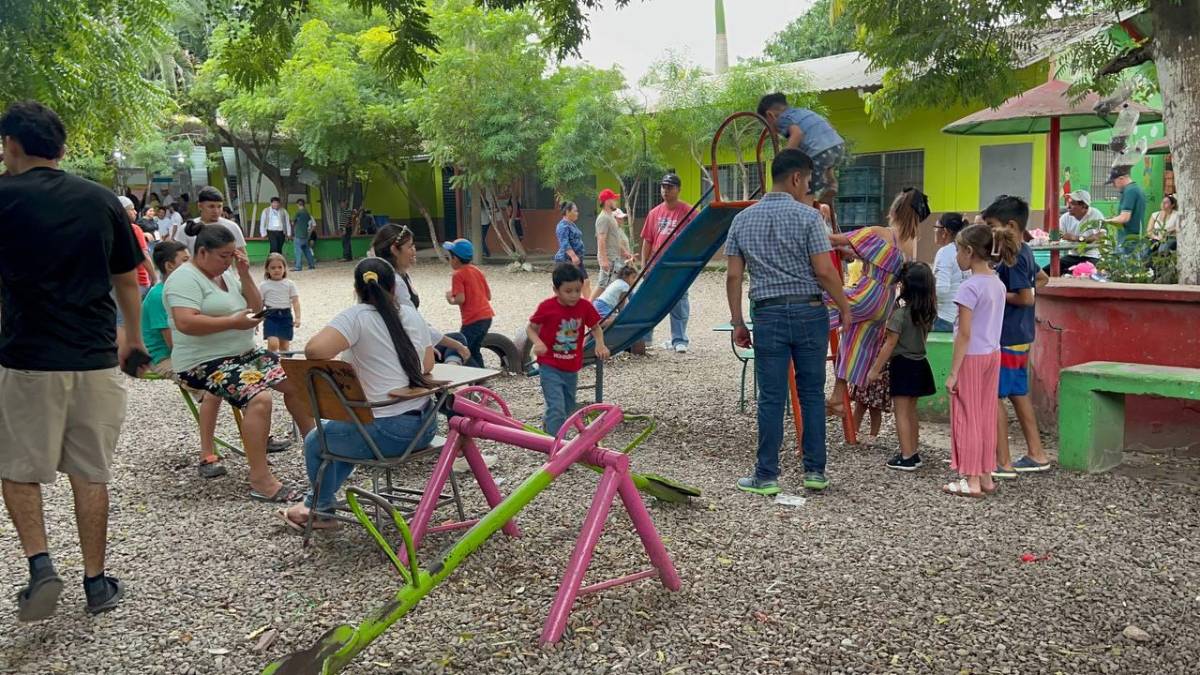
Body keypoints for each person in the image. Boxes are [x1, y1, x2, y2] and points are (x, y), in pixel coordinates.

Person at [0, 100, 146, 619]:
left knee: (18, 469)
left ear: (11, 145)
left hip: (26, 361)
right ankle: (96, 582)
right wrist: (130, 336)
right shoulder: (101, 200)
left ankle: (40, 567)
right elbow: (127, 279)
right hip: (94, 359)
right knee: (90, 473)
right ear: (61, 149)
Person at [725, 149, 852, 495]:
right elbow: (825, 271)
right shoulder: (809, 218)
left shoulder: (741, 220)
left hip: (767, 314)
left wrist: (738, 321)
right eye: (808, 181)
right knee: (812, 393)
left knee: (771, 396)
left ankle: (766, 475)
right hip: (810, 312)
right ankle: (814, 471)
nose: (808, 188)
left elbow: (734, 276)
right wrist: (844, 307)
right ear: (796, 178)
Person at [280, 259, 438, 531]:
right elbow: (427, 365)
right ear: (393, 287)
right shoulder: (412, 315)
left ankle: (320, 509)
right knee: (341, 433)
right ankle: (317, 503)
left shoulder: (356, 317)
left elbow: (315, 351)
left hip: (384, 435)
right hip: (425, 427)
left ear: (356, 288)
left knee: (317, 441)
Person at [164, 221, 316, 499]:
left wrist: (244, 274)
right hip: (204, 361)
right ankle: (260, 479)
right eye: (224, 256)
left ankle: (320, 451)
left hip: (244, 353)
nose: (228, 261)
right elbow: (185, 322)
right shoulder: (184, 278)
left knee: (298, 382)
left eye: (231, 256)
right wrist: (232, 322)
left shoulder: (228, 275)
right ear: (202, 253)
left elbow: (257, 308)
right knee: (259, 398)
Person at [825, 188, 927, 416]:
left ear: (895, 210)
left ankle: (801, 343)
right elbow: (890, 263)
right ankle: (838, 398)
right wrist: (855, 254)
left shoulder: (880, 232)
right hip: (885, 303)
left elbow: (833, 239)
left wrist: (818, 223)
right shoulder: (910, 243)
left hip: (867, 292)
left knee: (820, 300)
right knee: (853, 341)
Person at [943, 224, 1021, 497]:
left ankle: (971, 479)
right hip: (992, 354)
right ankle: (986, 476)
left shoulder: (969, 287)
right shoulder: (997, 284)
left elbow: (964, 334)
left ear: (969, 251)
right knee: (985, 415)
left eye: (957, 251)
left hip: (971, 358)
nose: (956, 257)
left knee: (967, 417)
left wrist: (953, 372)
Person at [141, 241, 227, 479]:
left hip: (189, 348)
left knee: (236, 374)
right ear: (169, 266)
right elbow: (173, 344)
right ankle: (206, 454)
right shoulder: (160, 294)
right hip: (166, 357)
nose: (192, 265)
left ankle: (258, 438)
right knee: (213, 389)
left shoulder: (184, 287)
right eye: (185, 260)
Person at [983, 196, 1052, 476]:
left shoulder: (1014, 256)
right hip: (1019, 335)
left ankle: (1002, 461)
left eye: (991, 225)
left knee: (996, 396)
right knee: (1018, 394)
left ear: (1010, 225)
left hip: (1008, 336)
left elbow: (1024, 298)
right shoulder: (1022, 251)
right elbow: (1043, 278)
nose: (988, 231)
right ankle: (1037, 453)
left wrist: (996, 292)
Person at [866, 262, 938, 471]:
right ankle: (913, 451)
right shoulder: (927, 312)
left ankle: (907, 456)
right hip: (920, 363)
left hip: (903, 366)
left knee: (901, 413)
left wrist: (875, 370)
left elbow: (889, 345)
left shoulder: (900, 315)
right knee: (911, 411)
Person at [527, 263, 611, 435]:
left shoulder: (585, 306)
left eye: (577, 290)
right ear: (556, 290)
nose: (574, 295)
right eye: (568, 291)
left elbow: (596, 327)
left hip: (571, 367)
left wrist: (600, 344)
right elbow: (530, 328)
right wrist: (537, 342)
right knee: (556, 406)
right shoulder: (547, 307)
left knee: (567, 407)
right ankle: (553, 445)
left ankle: (549, 426)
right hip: (549, 365)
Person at [371, 224, 471, 364]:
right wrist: (451, 346)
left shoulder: (398, 276)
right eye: (410, 247)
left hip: (408, 343)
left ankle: (455, 370)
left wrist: (428, 342)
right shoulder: (395, 282)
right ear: (394, 250)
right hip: (402, 351)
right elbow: (413, 324)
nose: (414, 251)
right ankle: (455, 377)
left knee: (455, 340)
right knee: (458, 342)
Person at [641, 173, 695, 353]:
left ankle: (679, 339)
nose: (665, 190)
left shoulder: (689, 212)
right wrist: (644, 265)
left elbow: (699, 235)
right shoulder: (654, 213)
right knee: (650, 300)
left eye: (670, 187)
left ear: (678, 189)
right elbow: (647, 240)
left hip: (680, 265)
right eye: (663, 187)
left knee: (679, 300)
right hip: (657, 263)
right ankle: (645, 338)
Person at [757, 93, 845, 202]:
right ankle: (831, 184)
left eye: (766, 124)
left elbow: (797, 134)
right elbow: (826, 125)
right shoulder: (802, 112)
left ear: (770, 115)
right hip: (837, 146)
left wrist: (784, 158)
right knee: (825, 164)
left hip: (819, 152)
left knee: (806, 185)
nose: (769, 128)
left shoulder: (782, 118)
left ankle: (805, 206)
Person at [443, 239, 494, 368]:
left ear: (455, 259)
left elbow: (461, 299)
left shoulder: (458, 275)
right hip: (487, 317)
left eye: (449, 257)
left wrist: (450, 299)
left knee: (463, 350)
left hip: (472, 320)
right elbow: (488, 296)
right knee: (475, 348)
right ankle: (482, 377)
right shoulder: (477, 271)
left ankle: (474, 376)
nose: (449, 260)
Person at [173, 186, 247, 255]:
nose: (216, 211)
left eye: (219, 206)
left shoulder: (232, 227)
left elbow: (242, 256)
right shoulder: (187, 229)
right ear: (200, 206)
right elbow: (179, 257)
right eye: (211, 206)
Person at [1049, 190, 1105, 275]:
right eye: (1068, 203)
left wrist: (1075, 238)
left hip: (1092, 256)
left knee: (1075, 273)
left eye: (1073, 204)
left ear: (1084, 206)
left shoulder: (1096, 215)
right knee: (1046, 271)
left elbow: (1100, 235)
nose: (1068, 206)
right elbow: (1057, 234)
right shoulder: (1065, 217)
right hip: (1073, 255)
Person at [933, 212, 970, 332]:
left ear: (945, 232)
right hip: (962, 317)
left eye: (936, 228)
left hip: (944, 318)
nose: (934, 231)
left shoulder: (945, 252)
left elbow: (941, 288)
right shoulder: (966, 250)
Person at [592, 188, 632, 299]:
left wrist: (624, 251)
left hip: (614, 257)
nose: (616, 202)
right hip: (609, 258)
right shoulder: (603, 218)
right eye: (613, 199)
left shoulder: (610, 217)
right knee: (603, 285)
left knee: (612, 285)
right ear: (607, 201)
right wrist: (604, 260)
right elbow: (601, 239)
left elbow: (615, 238)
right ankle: (588, 308)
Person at [260, 253, 301, 353]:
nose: (277, 270)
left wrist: (298, 317)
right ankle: (272, 364)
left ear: (284, 268)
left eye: (279, 267)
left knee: (284, 347)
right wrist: (257, 319)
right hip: (270, 316)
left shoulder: (290, 284)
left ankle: (284, 366)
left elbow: (295, 301)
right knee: (273, 344)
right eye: (273, 268)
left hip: (286, 316)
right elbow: (261, 304)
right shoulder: (263, 285)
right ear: (267, 269)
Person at [119, 195, 158, 298]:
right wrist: (154, 278)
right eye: (132, 209)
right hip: (139, 282)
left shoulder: (109, 229)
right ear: (123, 212)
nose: (135, 212)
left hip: (117, 283)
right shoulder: (134, 229)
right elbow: (143, 255)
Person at [554, 201, 591, 298]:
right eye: (575, 211)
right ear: (567, 211)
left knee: (585, 282)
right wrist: (573, 256)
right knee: (564, 286)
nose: (577, 213)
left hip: (576, 260)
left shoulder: (571, 224)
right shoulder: (563, 226)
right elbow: (564, 243)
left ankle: (590, 305)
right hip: (566, 260)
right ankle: (553, 307)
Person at [1106, 167, 1146, 241]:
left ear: (1121, 178)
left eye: (1114, 182)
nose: (1114, 186)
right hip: (1134, 237)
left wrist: (1106, 221)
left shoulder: (1130, 191)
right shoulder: (1136, 189)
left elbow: (1124, 218)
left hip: (1129, 239)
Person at [292, 198, 317, 271]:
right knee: (307, 250)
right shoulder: (307, 213)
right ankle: (311, 265)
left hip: (299, 234)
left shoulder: (298, 213)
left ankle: (298, 266)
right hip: (306, 234)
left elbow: (293, 223)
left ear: (297, 204)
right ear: (304, 204)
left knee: (298, 251)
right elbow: (311, 224)